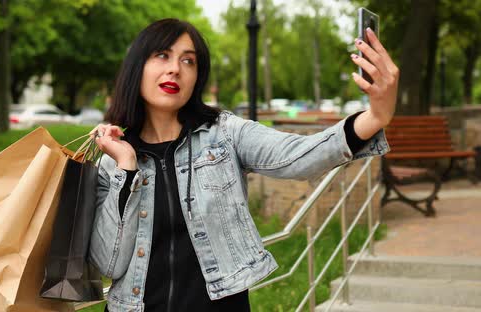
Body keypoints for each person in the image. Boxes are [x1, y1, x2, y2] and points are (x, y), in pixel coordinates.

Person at [88, 18, 398, 312]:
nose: (175, 70)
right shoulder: (112, 161)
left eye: (188, 61)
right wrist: (126, 168)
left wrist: (375, 117)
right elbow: (109, 263)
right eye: (162, 55)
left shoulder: (225, 134)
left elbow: (300, 155)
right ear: (137, 67)